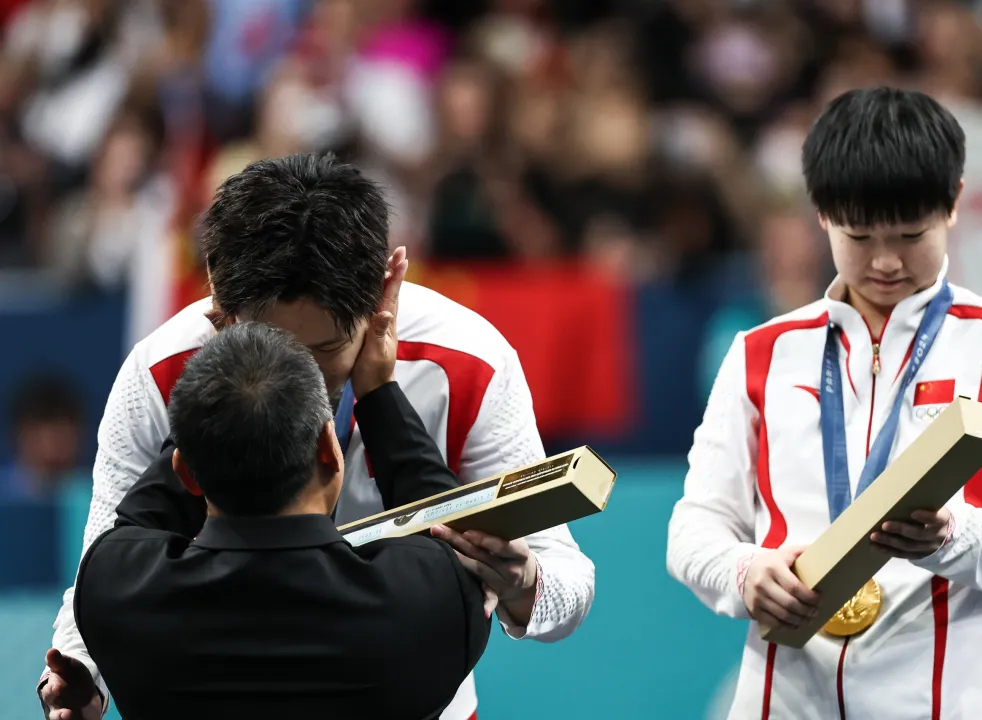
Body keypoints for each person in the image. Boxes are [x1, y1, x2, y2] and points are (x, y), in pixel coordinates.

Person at [40, 153, 595, 720]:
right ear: (219, 298)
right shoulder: (158, 373)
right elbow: (104, 563)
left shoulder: (474, 363)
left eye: (327, 350)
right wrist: (82, 674)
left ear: (384, 289)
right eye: (268, 344)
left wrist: (527, 586)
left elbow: (568, 584)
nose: (296, 378)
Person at [667, 87, 982, 720]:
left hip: (953, 699)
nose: (885, 261)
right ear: (823, 215)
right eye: (859, 235)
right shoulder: (760, 353)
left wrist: (952, 534)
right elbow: (694, 527)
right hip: (785, 698)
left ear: (955, 204)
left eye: (912, 234)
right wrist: (744, 571)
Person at [68, 316, 490, 720]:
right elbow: (450, 527)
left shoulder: (114, 589)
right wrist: (378, 392)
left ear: (184, 473)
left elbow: (140, 519)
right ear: (329, 447)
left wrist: (224, 377)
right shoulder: (433, 599)